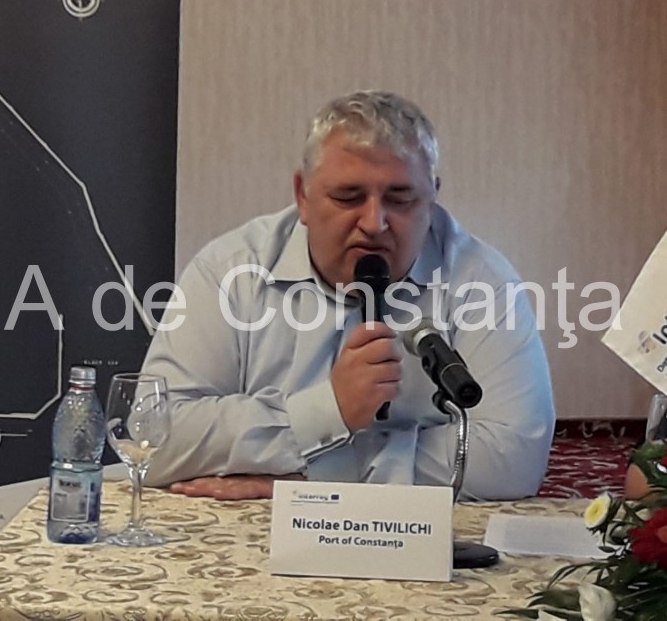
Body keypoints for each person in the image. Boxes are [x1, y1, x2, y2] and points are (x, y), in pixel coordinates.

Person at [142, 90, 555, 501]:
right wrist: (328, 409)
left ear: (432, 197)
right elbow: (151, 437)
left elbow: (515, 457)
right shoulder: (231, 270)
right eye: (348, 197)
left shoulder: (481, 281)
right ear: (303, 195)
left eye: (400, 199)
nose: (374, 223)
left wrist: (314, 479)